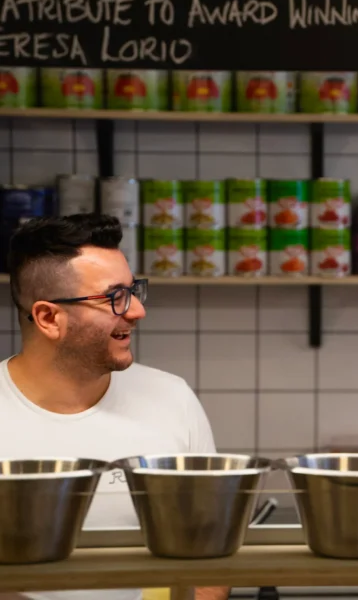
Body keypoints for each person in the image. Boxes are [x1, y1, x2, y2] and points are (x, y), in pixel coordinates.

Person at [1, 213, 229, 600]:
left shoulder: (172, 399)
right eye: (113, 297)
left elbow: (210, 563)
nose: (137, 311)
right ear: (48, 318)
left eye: (133, 290)